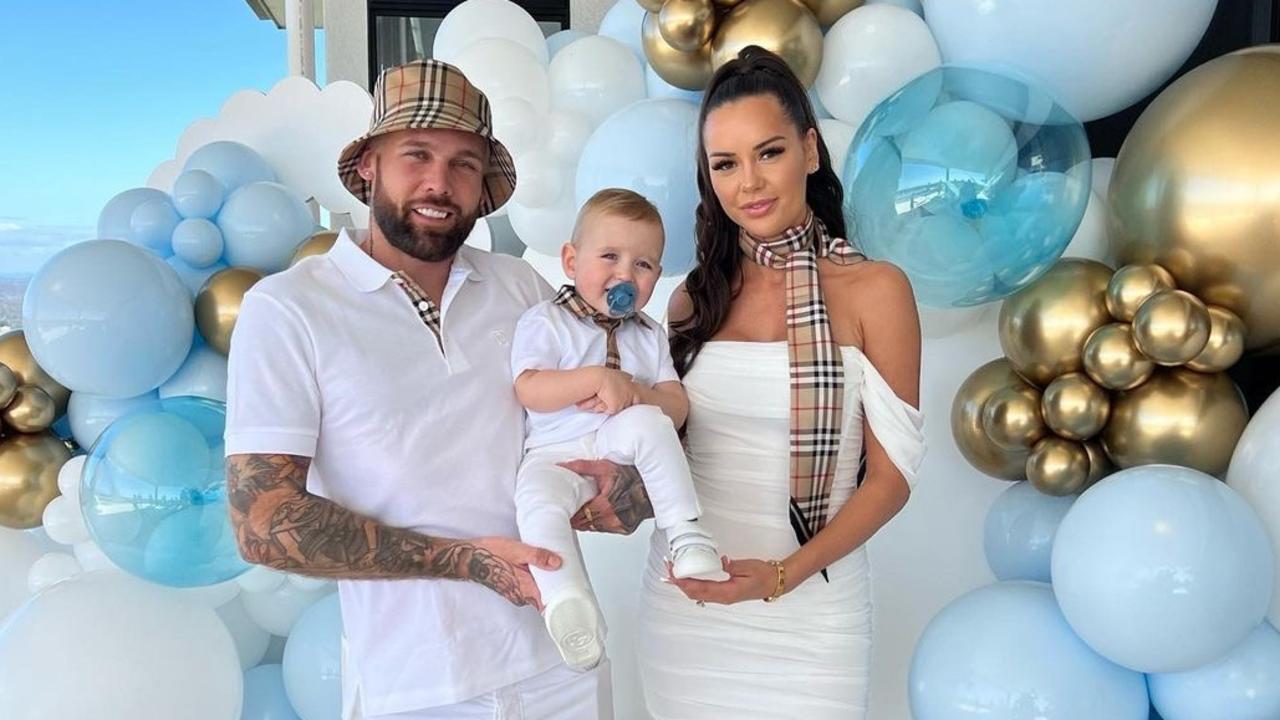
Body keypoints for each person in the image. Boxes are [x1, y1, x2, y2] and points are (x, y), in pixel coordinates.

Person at [223, 59, 613, 720]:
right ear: (370, 163)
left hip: (565, 663)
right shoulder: (289, 309)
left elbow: (588, 431)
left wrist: (616, 487)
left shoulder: (522, 289)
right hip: (417, 687)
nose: (440, 182)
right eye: (417, 154)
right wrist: (466, 562)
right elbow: (262, 525)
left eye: (465, 163)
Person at [631, 46, 928, 718]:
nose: (750, 183)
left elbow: (891, 478)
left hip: (814, 607)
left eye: (769, 152)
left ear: (811, 151)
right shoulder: (688, 300)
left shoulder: (875, 291)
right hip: (689, 608)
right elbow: (661, 451)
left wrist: (781, 578)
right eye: (725, 164)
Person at [510, 188, 723, 673]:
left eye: (644, 265)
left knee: (649, 422)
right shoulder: (546, 321)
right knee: (536, 504)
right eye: (610, 256)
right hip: (554, 453)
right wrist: (595, 378)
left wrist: (638, 395)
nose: (626, 274)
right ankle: (567, 602)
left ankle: (686, 534)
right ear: (570, 259)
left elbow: (677, 404)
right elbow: (529, 388)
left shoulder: (647, 334)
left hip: (615, 442)